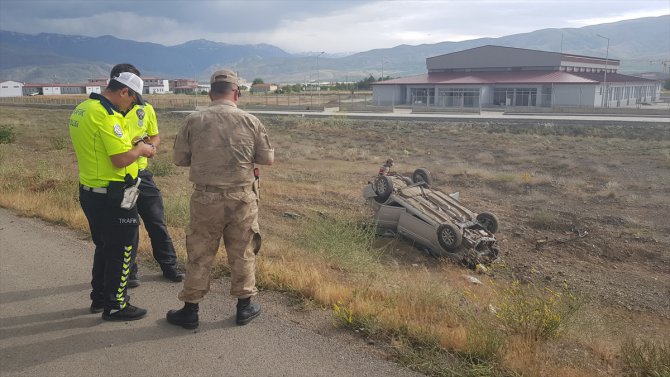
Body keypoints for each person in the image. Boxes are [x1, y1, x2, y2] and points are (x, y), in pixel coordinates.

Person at [167, 69, 274, 328]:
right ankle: (244, 308)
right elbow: (267, 159)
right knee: (243, 252)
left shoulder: (194, 120)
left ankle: (190, 311)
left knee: (200, 252)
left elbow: (179, 159)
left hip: (206, 198)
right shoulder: (251, 121)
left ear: (210, 93)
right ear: (236, 93)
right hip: (242, 198)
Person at [69, 70, 155, 321]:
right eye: (133, 100)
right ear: (123, 91)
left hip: (91, 190)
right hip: (113, 194)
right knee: (123, 248)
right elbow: (119, 159)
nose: (132, 106)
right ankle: (116, 304)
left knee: (105, 246)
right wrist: (140, 149)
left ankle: (99, 297)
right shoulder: (107, 116)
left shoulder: (83, 108)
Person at [109, 64, 184, 287]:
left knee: (156, 221)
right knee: (126, 226)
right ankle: (130, 271)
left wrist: (149, 147)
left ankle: (169, 265)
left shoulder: (146, 108)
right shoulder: (107, 112)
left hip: (142, 175)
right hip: (119, 178)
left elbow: (155, 136)